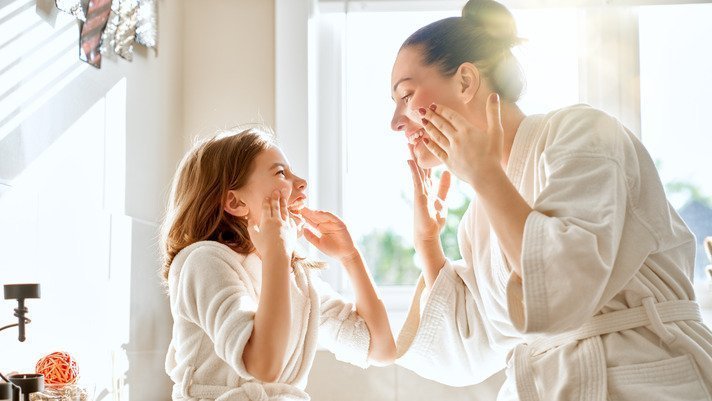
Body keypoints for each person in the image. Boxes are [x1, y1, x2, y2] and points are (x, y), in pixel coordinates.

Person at [389, 1, 712, 400]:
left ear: (466, 81)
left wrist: (487, 178)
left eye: (405, 96)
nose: (396, 122)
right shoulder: (477, 217)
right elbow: (472, 350)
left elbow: (562, 288)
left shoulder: (582, 132)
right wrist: (427, 244)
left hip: (638, 374)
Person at [161, 128, 395, 401]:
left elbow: (381, 349)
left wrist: (350, 258)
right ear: (235, 201)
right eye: (281, 173)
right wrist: (277, 253)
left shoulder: (295, 276)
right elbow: (264, 366)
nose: (303, 183)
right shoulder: (203, 262)